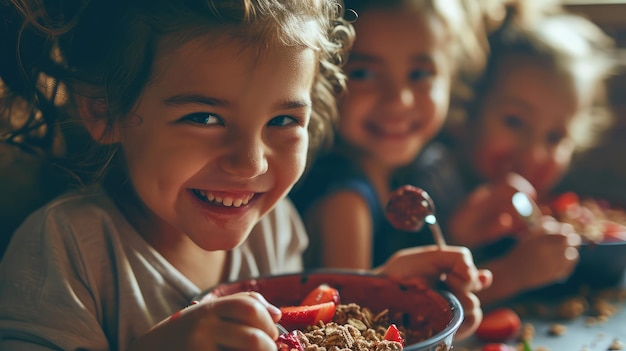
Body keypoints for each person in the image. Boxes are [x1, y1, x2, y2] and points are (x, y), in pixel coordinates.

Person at [0, 0, 491, 350]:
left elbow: (302, 335)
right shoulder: (65, 251)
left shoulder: (274, 229)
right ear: (105, 110)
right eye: (205, 118)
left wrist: (380, 298)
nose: (250, 163)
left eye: (282, 121)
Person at [437, 3, 618, 305]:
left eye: (555, 137)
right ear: (466, 111)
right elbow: (420, 306)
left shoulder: (534, 205)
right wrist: (513, 274)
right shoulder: (435, 182)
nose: (534, 154)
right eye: (514, 122)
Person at [290, 0, 489, 269]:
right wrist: (512, 275)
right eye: (363, 73)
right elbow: (352, 308)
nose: (399, 100)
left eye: (419, 74)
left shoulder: (415, 173)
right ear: (324, 79)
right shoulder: (343, 200)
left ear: (451, 78)